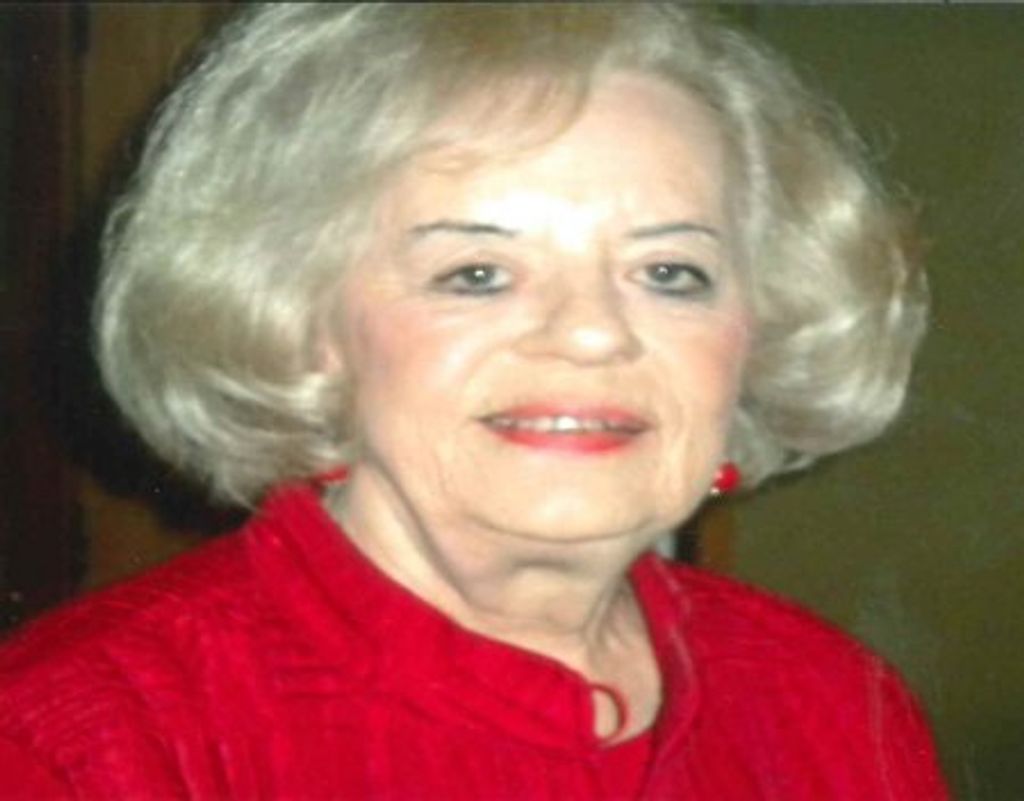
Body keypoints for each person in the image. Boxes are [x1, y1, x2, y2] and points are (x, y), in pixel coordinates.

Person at [0, 4, 947, 799]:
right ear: (306, 322)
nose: (592, 333)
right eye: (478, 272)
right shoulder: (81, 743)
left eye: (670, 271)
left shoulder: (832, 700)